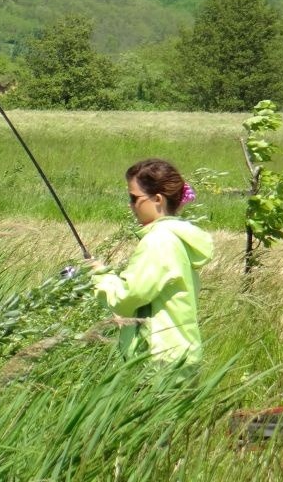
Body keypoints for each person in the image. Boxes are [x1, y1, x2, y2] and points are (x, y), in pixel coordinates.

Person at [89, 158, 214, 372]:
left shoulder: (159, 241)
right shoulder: (178, 237)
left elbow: (127, 297)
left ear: (157, 199)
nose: (130, 205)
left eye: (134, 198)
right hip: (182, 356)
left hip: (159, 360)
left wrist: (100, 275)